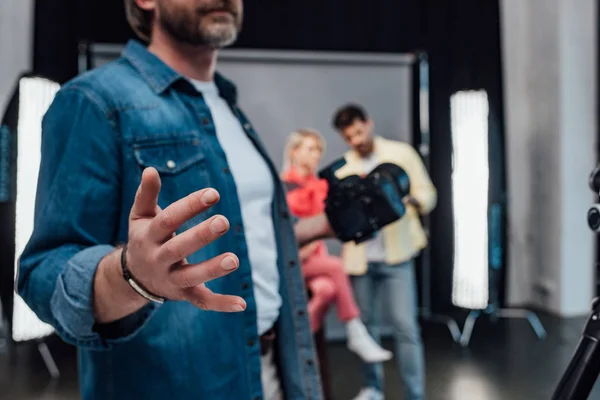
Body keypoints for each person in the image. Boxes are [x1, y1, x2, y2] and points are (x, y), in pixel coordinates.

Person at [17, 1, 334, 399]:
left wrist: (325, 225)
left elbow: (239, 237)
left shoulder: (228, 106)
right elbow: (43, 273)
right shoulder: (94, 100)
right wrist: (131, 277)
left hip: (273, 372)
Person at [332, 104, 437, 400]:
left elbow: (428, 194)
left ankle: (415, 395)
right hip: (360, 260)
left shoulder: (401, 154)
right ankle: (373, 389)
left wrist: (405, 201)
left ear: (369, 123)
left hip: (397, 257)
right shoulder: (343, 167)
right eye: (348, 137)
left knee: (406, 329)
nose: (356, 141)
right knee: (366, 330)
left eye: (359, 132)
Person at [281, 128, 392, 364]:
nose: (316, 155)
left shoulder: (321, 186)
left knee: (326, 290)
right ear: (294, 151)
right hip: (291, 258)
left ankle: (297, 343)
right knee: (335, 268)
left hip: (313, 259)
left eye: (319, 150)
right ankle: (354, 330)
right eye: (310, 149)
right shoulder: (282, 188)